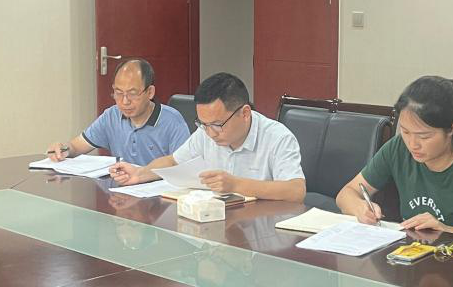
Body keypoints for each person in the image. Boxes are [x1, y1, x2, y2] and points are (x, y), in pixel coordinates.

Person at [335, 76, 453, 236]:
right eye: (405, 131)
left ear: (451, 129)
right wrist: (360, 208)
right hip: (409, 257)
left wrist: (447, 230)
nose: (412, 144)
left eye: (424, 136)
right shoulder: (398, 148)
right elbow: (346, 194)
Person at [109, 73, 306, 201]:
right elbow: (173, 161)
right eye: (203, 124)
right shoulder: (205, 132)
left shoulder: (277, 137)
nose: (210, 133)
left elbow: (296, 191)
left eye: (218, 125)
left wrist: (235, 185)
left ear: (245, 113)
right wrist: (139, 174)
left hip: (261, 229)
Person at [46, 58, 189, 167]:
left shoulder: (172, 121)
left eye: (133, 93)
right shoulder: (112, 116)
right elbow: (76, 147)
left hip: (160, 193)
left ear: (150, 92)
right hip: (122, 191)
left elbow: (183, 167)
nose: (125, 101)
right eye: (118, 93)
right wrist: (63, 149)